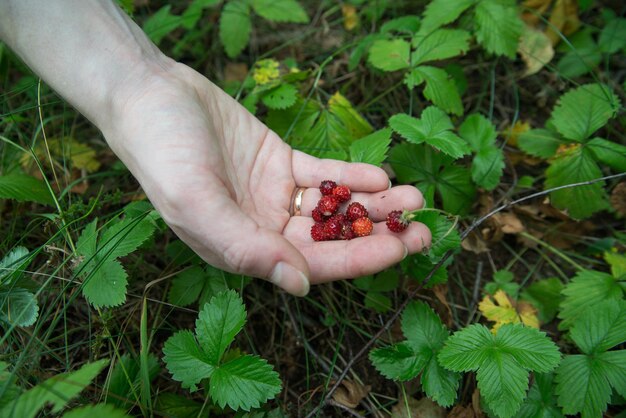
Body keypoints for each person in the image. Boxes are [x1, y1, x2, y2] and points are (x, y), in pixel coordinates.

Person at [0, 1, 431, 297]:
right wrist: (138, 87)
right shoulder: (330, 212)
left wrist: (137, 79)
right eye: (335, 207)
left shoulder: (332, 214)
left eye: (334, 206)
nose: (336, 209)